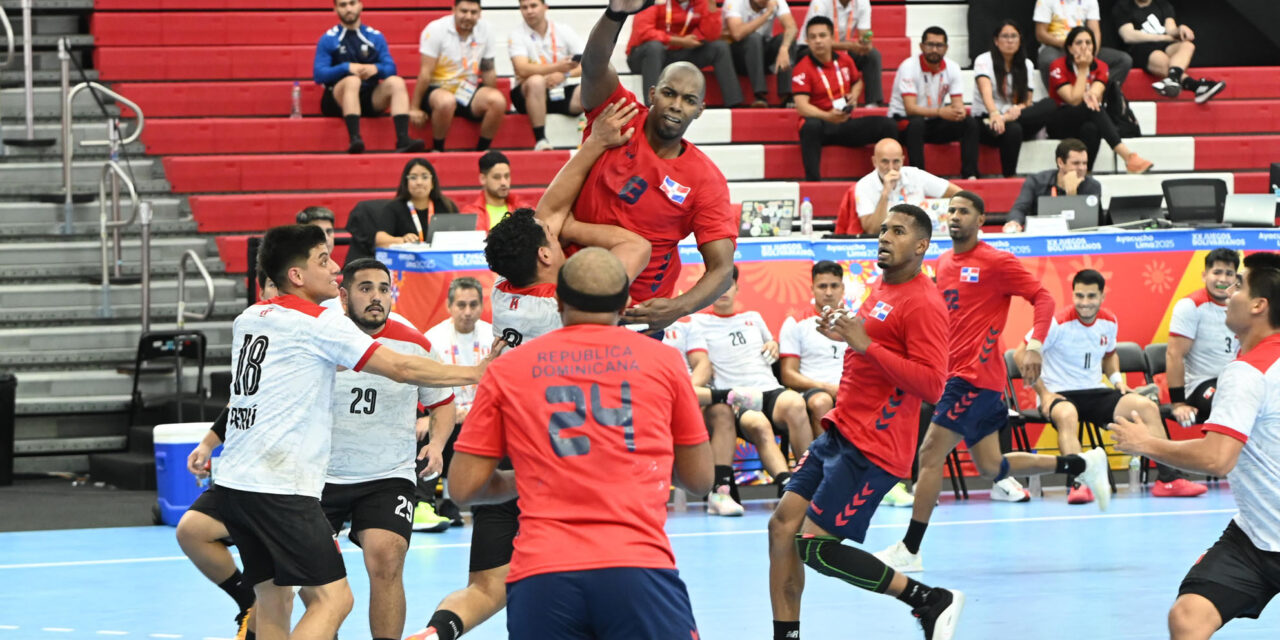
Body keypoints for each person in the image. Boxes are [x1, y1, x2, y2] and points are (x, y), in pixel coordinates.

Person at [408, 101, 654, 640]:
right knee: (595, 579)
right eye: (553, 241)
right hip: (560, 457)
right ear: (545, 258)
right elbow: (636, 244)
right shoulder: (572, 303)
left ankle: (435, 633)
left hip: (502, 450)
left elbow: (547, 214)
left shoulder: (502, 290)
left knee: (486, 586)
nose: (558, 236)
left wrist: (593, 148)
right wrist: (578, 227)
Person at [211, 223, 497, 640]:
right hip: (283, 487)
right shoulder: (320, 324)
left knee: (273, 598)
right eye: (324, 260)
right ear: (297, 275)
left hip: (236, 482)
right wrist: (476, 371)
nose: (334, 268)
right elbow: (400, 367)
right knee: (334, 600)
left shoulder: (251, 318)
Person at [448, 247, 713, 640]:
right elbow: (700, 479)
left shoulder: (506, 371)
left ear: (558, 301)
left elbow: (463, 488)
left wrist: (528, 479)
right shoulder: (665, 362)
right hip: (637, 565)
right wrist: (632, 461)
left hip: (542, 575)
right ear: (625, 303)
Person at [873, 192, 1112, 575]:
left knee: (929, 455)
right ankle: (1081, 463)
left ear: (981, 220)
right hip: (959, 378)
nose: (955, 216)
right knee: (991, 466)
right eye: (951, 210)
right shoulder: (944, 263)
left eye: (964, 211)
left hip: (974, 378)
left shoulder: (996, 261)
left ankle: (910, 549)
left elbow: (1043, 297)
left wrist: (1035, 345)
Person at [767, 205, 959, 640]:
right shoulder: (884, 284)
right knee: (781, 527)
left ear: (921, 246)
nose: (885, 236)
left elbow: (933, 385)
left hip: (874, 446)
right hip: (841, 431)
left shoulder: (925, 302)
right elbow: (874, 341)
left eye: (898, 231)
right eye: (884, 229)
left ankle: (928, 600)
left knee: (815, 548)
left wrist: (865, 343)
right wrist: (846, 333)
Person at [1109, 251, 1280, 640]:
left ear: (1259, 305)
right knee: (1189, 616)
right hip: (1255, 537)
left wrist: (1147, 443)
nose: (1229, 292)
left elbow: (1217, 459)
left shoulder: (1247, 372)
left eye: (1239, 285)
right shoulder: (1252, 363)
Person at [552, 0, 742, 333]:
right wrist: (616, 13)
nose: (676, 105)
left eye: (689, 100)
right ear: (652, 93)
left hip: (637, 313)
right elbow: (594, 65)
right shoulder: (619, 114)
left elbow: (722, 269)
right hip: (569, 295)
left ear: (700, 110)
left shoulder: (706, 179)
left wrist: (678, 308)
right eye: (669, 93)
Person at [322, 258, 458, 640]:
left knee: (387, 557)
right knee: (318, 578)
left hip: (387, 474)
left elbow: (443, 402)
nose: (376, 297)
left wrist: (437, 444)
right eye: (365, 288)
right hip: (320, 475)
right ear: (343, 296)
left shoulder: (415, 343)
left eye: (383, 289)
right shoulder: (322, 338)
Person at [1013, 268, 1205, 502]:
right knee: (1067, 414)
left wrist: (1117, 382)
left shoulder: (1109, 321)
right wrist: (1044, 394)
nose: (1085, 302)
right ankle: (1079, 483)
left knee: (1146, 407)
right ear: (1072, 295)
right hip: (1059, 394)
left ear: (1102, 296)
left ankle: (1169, 479)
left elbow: (1109, 355)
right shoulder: (1056, 323)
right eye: (1079, 296)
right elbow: (1020, 354)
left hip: (1095, 392)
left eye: (1091, 296)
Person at [689, 265, 811, 490]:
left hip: (769, 389)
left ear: (737, 288)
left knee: (796, 404)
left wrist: (773, 344)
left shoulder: (753, 318)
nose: (723, 291)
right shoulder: (696, 323)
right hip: (735, 396)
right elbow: (693, 359)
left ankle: (809, 479)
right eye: (717, 286)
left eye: (728, 285)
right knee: (759, 425)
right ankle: (788, 485)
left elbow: (771, 345)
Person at [423, 277, 493, 528]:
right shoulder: (433, 338)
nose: (467, 312)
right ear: (449, 306)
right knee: (428, 427)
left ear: (482, 305)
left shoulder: (494, 337)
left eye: (474, 305)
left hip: (484, 414)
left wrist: (472, 412)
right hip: (445, 411)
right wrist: (438, 414)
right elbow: (423, 387)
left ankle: (475, 503)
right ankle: (425, 503)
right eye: (461, 305)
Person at [791, 16, 896, 182]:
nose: (818, 41)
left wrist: (854, 95)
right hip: (822, 125)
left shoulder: (845, 60)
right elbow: (802, 107)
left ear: (832, 38)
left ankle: (889, 179)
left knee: (888, 125)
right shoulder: (802, 68)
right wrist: (828, 116)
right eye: (813, 37)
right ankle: (813, 182)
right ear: (807, 41)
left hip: (845, 121)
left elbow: (858, 82)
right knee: (810, 126)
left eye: (822, 35)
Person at [314, 0, 424, 154]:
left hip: (367, 97)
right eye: (343, 5)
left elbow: (391, 69)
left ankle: (403, 139)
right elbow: (319, 75)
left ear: (361, 5)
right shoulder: (329, 38)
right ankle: (355, 139)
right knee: (352, 81)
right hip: (337, 98)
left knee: (396, 82)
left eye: (352, 3)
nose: (348, 9)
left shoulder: (375, 36)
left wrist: (376, 69)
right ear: (335, 9)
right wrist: (346, 67)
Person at [1046, 26, 1152, 174]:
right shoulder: (1057, 66)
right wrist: (1083, 69)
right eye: (1079, 43)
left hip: (1087, 116)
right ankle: (1128, 156)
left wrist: (1091, 94)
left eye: (1088, 43)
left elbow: (1095, 94)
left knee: (1092, 127)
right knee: (1090, 107)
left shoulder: (1101, 66)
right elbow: (1073, 100)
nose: (1084, 47)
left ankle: (1084, 173)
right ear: (1069, 48)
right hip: (1060, 121)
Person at [410, 0, 506, 153]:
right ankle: (438, 149)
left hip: (467, 90)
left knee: (498, 100)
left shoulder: (486, 30)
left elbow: (488, 69)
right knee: (446, 101)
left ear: (480, 13)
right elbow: (425, 72)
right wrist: (414, 107)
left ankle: (482, 151)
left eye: (473, 12)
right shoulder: (436, 29)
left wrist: (491, 101)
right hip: (438, 89)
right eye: (464, 11)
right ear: (453, 9)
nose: (468, 16)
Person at [888, 27, 979, 180]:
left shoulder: (952, 67)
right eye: (930, 45)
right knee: (916, 124)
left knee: (969, 123)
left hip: (933, 120)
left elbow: (957, 103)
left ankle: (970, 174)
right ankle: (919, 177)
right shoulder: (908, 66)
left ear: (946, 48)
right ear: (921, 46)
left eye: (939, 45)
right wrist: (940, 112)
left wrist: (959, 112)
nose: (934, 50)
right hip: (904, 121)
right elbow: (910, 108)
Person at [1167, 249, 1241, 429]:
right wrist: (1178, 404)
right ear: (1204, 275)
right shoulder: (1190, 306)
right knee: (1232, 403)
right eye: (1217, 272)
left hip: (1236, 381)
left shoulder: (1243, 306)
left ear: (1236, 279)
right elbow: (1174, 355)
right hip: (1202, 385)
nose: (1223, 279)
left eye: (1229, 274)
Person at [973, 21, 1057, 178]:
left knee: (1050, 104)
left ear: (1020, 40)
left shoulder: (1027, 64)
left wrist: (1016, 110)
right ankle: (1009, 177)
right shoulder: (983, 60)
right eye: (1005, 36)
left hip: (1015, 116)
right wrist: (995, 114)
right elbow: (986, 93)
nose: (1010, 41)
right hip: (988, 120)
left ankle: (1006, 120)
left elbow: (1027, 101)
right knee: (1014, 129)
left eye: (1014, 36)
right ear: (996, 41)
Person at [624, 0, 745, 108]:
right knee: (654, 47)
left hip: (677, 53)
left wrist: (712, 10)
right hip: (643, 56)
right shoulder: (655, 2)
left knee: (719, 47)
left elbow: (711, 35)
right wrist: (678, 40)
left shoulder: (700, 2)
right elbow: (644, 32)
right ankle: (652, 104)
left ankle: (734, 101)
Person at [835, 137, 960, 236]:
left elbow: (959, 194)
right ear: (874, 161)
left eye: (896, 162)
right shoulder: (863, 186)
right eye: (885, 162)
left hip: (917, 238)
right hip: (884, 242)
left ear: (902, 160)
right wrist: (885, 193)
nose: (891, 168)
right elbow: (873, 230)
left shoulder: (915, 175)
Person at [345, 158, 459, 262]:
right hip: (406, 265)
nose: (419, 182)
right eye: (413, 177)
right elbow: (380, 239)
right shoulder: (394, 207)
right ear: (406, 182)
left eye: (425, 177)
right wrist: (402, 240)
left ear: (433, 182)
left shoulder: (446, 206)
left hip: (441, 263)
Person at [508, 0, 585, 151]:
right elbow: (521, 69)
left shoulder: (563, 30)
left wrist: (565, 74)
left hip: (559, 89)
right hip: (527, 95)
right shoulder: (516, 34)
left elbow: (586, 63)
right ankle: (540, 140)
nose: (529, 11)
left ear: (545, 7)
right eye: (524, 7)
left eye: (533, 6)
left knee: (591, 90)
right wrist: (557, 68)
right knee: (536, 81)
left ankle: (593, 138)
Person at [1113, 0, 1224, 103]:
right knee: (1160, 57)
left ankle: (1173, 78)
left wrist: (1180, 29)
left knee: (1187, 45)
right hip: (1140, 48)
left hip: (1164, 44)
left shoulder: (1162, 4)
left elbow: (1171, 29)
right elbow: (1128, 36)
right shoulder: (1123, 6)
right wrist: (1164, 37)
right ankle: (1195, 85)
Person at [1004, 138, 1102, 232]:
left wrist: (1072, 195)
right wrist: (1014, 222)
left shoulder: (1093, 186)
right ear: (1060, 162)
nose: (1082, 168)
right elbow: (1020, 208)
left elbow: (1097, 223)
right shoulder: (1036, 181)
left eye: (1084, 163)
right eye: (1076, 163)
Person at [1033, 0, 1131, 92]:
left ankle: (1095, 94)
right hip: (1058, 46)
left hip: (1084, 46)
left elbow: (1095, 31)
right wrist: (1068, 45)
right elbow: (1040, 34)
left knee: (1123, 60)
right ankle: (1062, 98)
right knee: (1048, 60)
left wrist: (1092, 53)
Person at [800, 0, 884, 106]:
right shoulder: (821, 2)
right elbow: (818, 38)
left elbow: (864, 33)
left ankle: (873, 104)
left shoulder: (862, 2)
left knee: (872, 55)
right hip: (813, 47)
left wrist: (865, 44)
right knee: (816, 48)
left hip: (842, 48)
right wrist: (850, 46)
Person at [724, 0, 798, 108]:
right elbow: (737, 34)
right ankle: (759, 95)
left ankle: (786, 96)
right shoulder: (735, 2)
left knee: (786, 39)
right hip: (738, 57)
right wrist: (767, 14)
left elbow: (792, 28)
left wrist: (784, 48)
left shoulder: (776, 2)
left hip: (762, 54)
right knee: (754, 38)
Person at [460, 151, 526, 231]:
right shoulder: (470, 214)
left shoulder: (523, 210)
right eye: (496, 177)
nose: (503, 182)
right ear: (483, 179)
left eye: (507, 176)